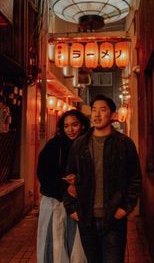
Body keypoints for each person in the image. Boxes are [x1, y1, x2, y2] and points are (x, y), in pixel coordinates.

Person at [63, 94, 142, 263]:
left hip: (113, 218)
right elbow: (69, 177)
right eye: (94, 110)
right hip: (86, 219)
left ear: (112, 115)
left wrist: (124, 208)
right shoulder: (80, 144)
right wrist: (72, 209)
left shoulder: (124, 143)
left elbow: (135, 179)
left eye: (102, 110)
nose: (97, 115)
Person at [36, 109, 90, 263]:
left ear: (82, 126)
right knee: (56, 245)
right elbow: (43, 173)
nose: (70, 130)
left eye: (74, 125)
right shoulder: (54, 146)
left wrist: (78, 181)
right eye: (66, 126)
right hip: (55, 203)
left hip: (79, 203)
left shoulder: (88, 145)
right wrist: (65, 187)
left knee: (78, 248)